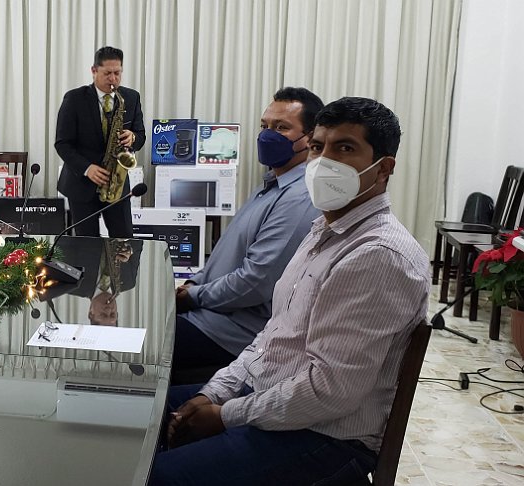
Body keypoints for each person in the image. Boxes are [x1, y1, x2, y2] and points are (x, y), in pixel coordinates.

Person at [149, 97, 431, 485]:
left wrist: (225, 415)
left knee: (154, 476)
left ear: (383, 168)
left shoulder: (378, 255)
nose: (324, 162)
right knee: (136, 415)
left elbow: (331, 391)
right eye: (317, 147)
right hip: (268, 397)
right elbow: (272, 334)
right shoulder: (324, 231)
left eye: (344, 148)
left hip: (324, 437)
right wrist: (215, 393)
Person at [172, 88, 324, 371]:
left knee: (136, 348)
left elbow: (256, 281)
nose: (267, 135)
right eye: (265, 126)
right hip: (207, 316)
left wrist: (193, 296)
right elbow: (225, 256)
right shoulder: (270, 186)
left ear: (311, 138)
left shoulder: (300, 197)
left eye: (281, 128)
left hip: (229, 336)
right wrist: (193, 284)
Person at [55, 46, 146, 238]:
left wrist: (133, 137)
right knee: (86, 245)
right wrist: (87, 168)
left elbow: (141, 135)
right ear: (94, 70)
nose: (113, 79)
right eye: (107, 73)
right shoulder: (74, 99)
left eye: (117, 73)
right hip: (82, 185)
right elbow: (62, 143)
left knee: (123, 241)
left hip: (116, 185)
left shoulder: (131, 97)